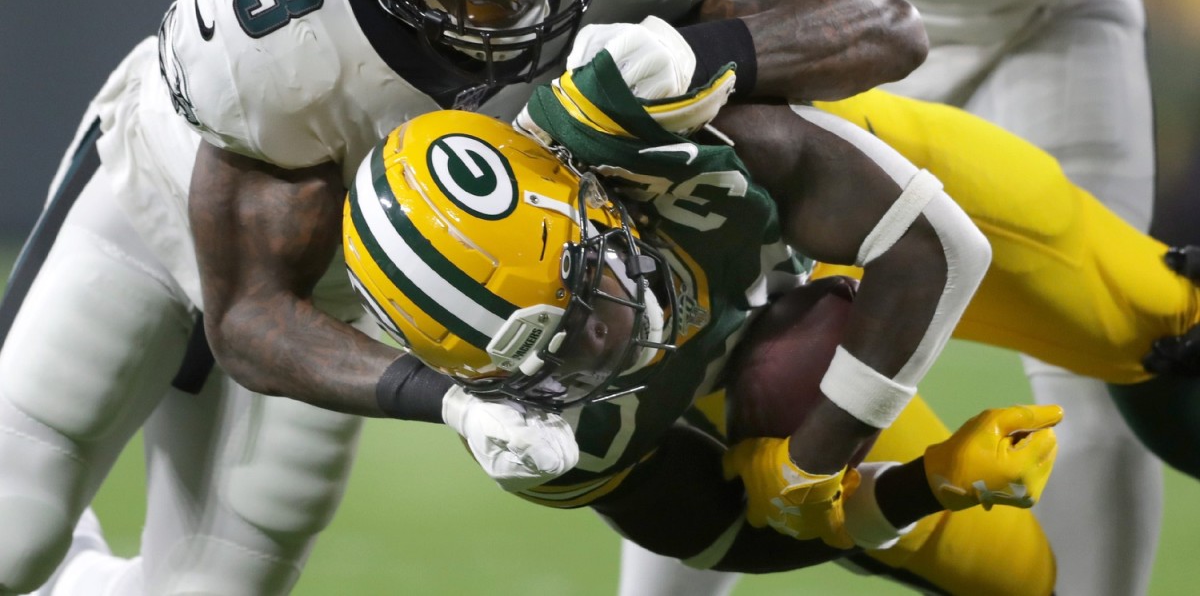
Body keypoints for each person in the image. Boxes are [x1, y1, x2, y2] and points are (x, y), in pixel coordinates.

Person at [0, 0, 930, 595]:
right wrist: (448, 401)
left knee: (215, 586)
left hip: (351, 283)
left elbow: (884, 24)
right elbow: (247, 315)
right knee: (12, 527)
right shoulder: (272, 33)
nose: (523, 1)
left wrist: (709, 53)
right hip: (155, 196)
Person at [628, 0, 1200, 596]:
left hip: (1062, 11)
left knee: (1118, 360)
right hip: (865, 33)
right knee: (733, 358)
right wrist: (755, 42)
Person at [343, 42, 1200, 591]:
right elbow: (734, 536)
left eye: (579, 294)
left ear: (584, 192)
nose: (599, 344)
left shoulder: (647, 134)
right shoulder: (542, 443)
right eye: (551, 358)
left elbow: (931, 247)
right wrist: (921, 484)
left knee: (1168, 323)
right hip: (759, 376)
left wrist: (815, 460)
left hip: (877, 207)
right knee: (1013, 580)